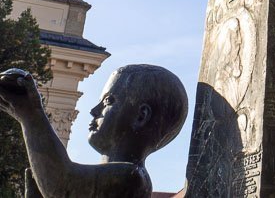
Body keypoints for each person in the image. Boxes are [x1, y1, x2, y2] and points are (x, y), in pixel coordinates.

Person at [0, 64, 188, 198]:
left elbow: (62, 187)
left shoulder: (131, 177)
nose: (94, 111)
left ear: (141, 116)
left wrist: (31, 115)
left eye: (108, 101)